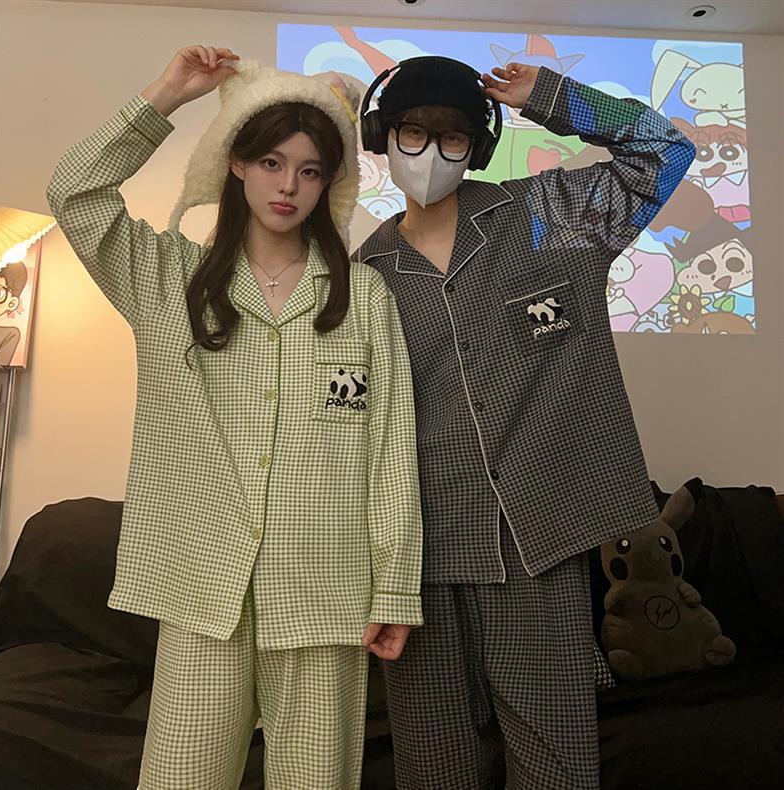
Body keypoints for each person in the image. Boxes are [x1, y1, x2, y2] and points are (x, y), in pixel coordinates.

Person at [47, 45, 423, 790]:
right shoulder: (164, 278)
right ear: (237, 164)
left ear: (329, 183)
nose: (288, 186)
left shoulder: (364, 300)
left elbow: (390, 453)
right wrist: (167, 93)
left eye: (310, 171)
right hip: (201, 587)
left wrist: (394, 588)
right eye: (272, 163)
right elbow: (75, 194)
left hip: (325, 591)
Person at [354, 55, 696, 789]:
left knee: (557, 769)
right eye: (412, 134)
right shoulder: (363, 276)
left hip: (538, 543)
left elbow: (664, 152)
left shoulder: (547, 215)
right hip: (420, 559)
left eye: (452, 137)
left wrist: (551, 96)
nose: (431, 153)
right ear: (382, 138)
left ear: (476, 146)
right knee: (433, 771)